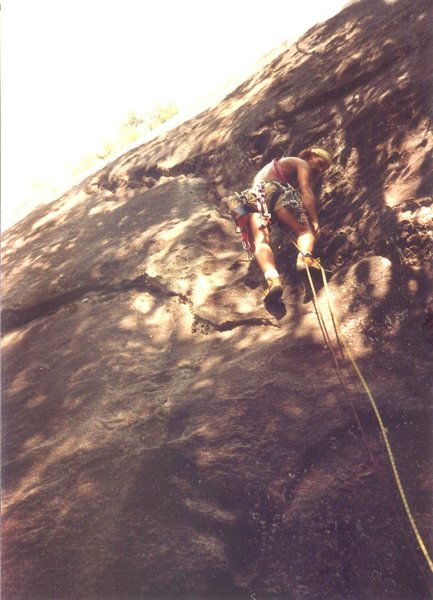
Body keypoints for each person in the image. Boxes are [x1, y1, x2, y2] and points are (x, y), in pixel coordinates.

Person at [226, 147, 332, 304]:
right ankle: (305, 259)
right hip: (273, 191)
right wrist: (314, 219)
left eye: (324, 168)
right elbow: (306, 190)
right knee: (304, 231)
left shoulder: (271, 168)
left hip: (252, 198)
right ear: (312, 155)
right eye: (321, 163)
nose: (320, 169)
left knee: (261, 241)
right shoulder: (301, 163)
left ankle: (272, 280)